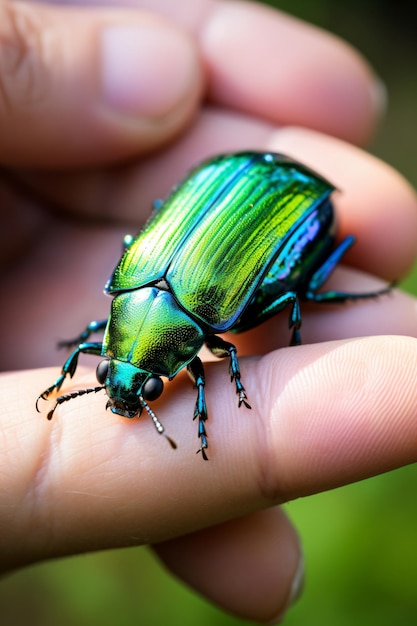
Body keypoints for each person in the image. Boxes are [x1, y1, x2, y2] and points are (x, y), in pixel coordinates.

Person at [1, 0, 417, 623]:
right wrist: (76, 381)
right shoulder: (128, 301)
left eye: (127, 383)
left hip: (275, 195)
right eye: (127, 382)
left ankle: (323, 293)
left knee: (292, 294)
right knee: (277, 299)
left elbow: (198, 369)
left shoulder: (194, 327)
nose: (123, 394)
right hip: (234, 178)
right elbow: (132, 354)